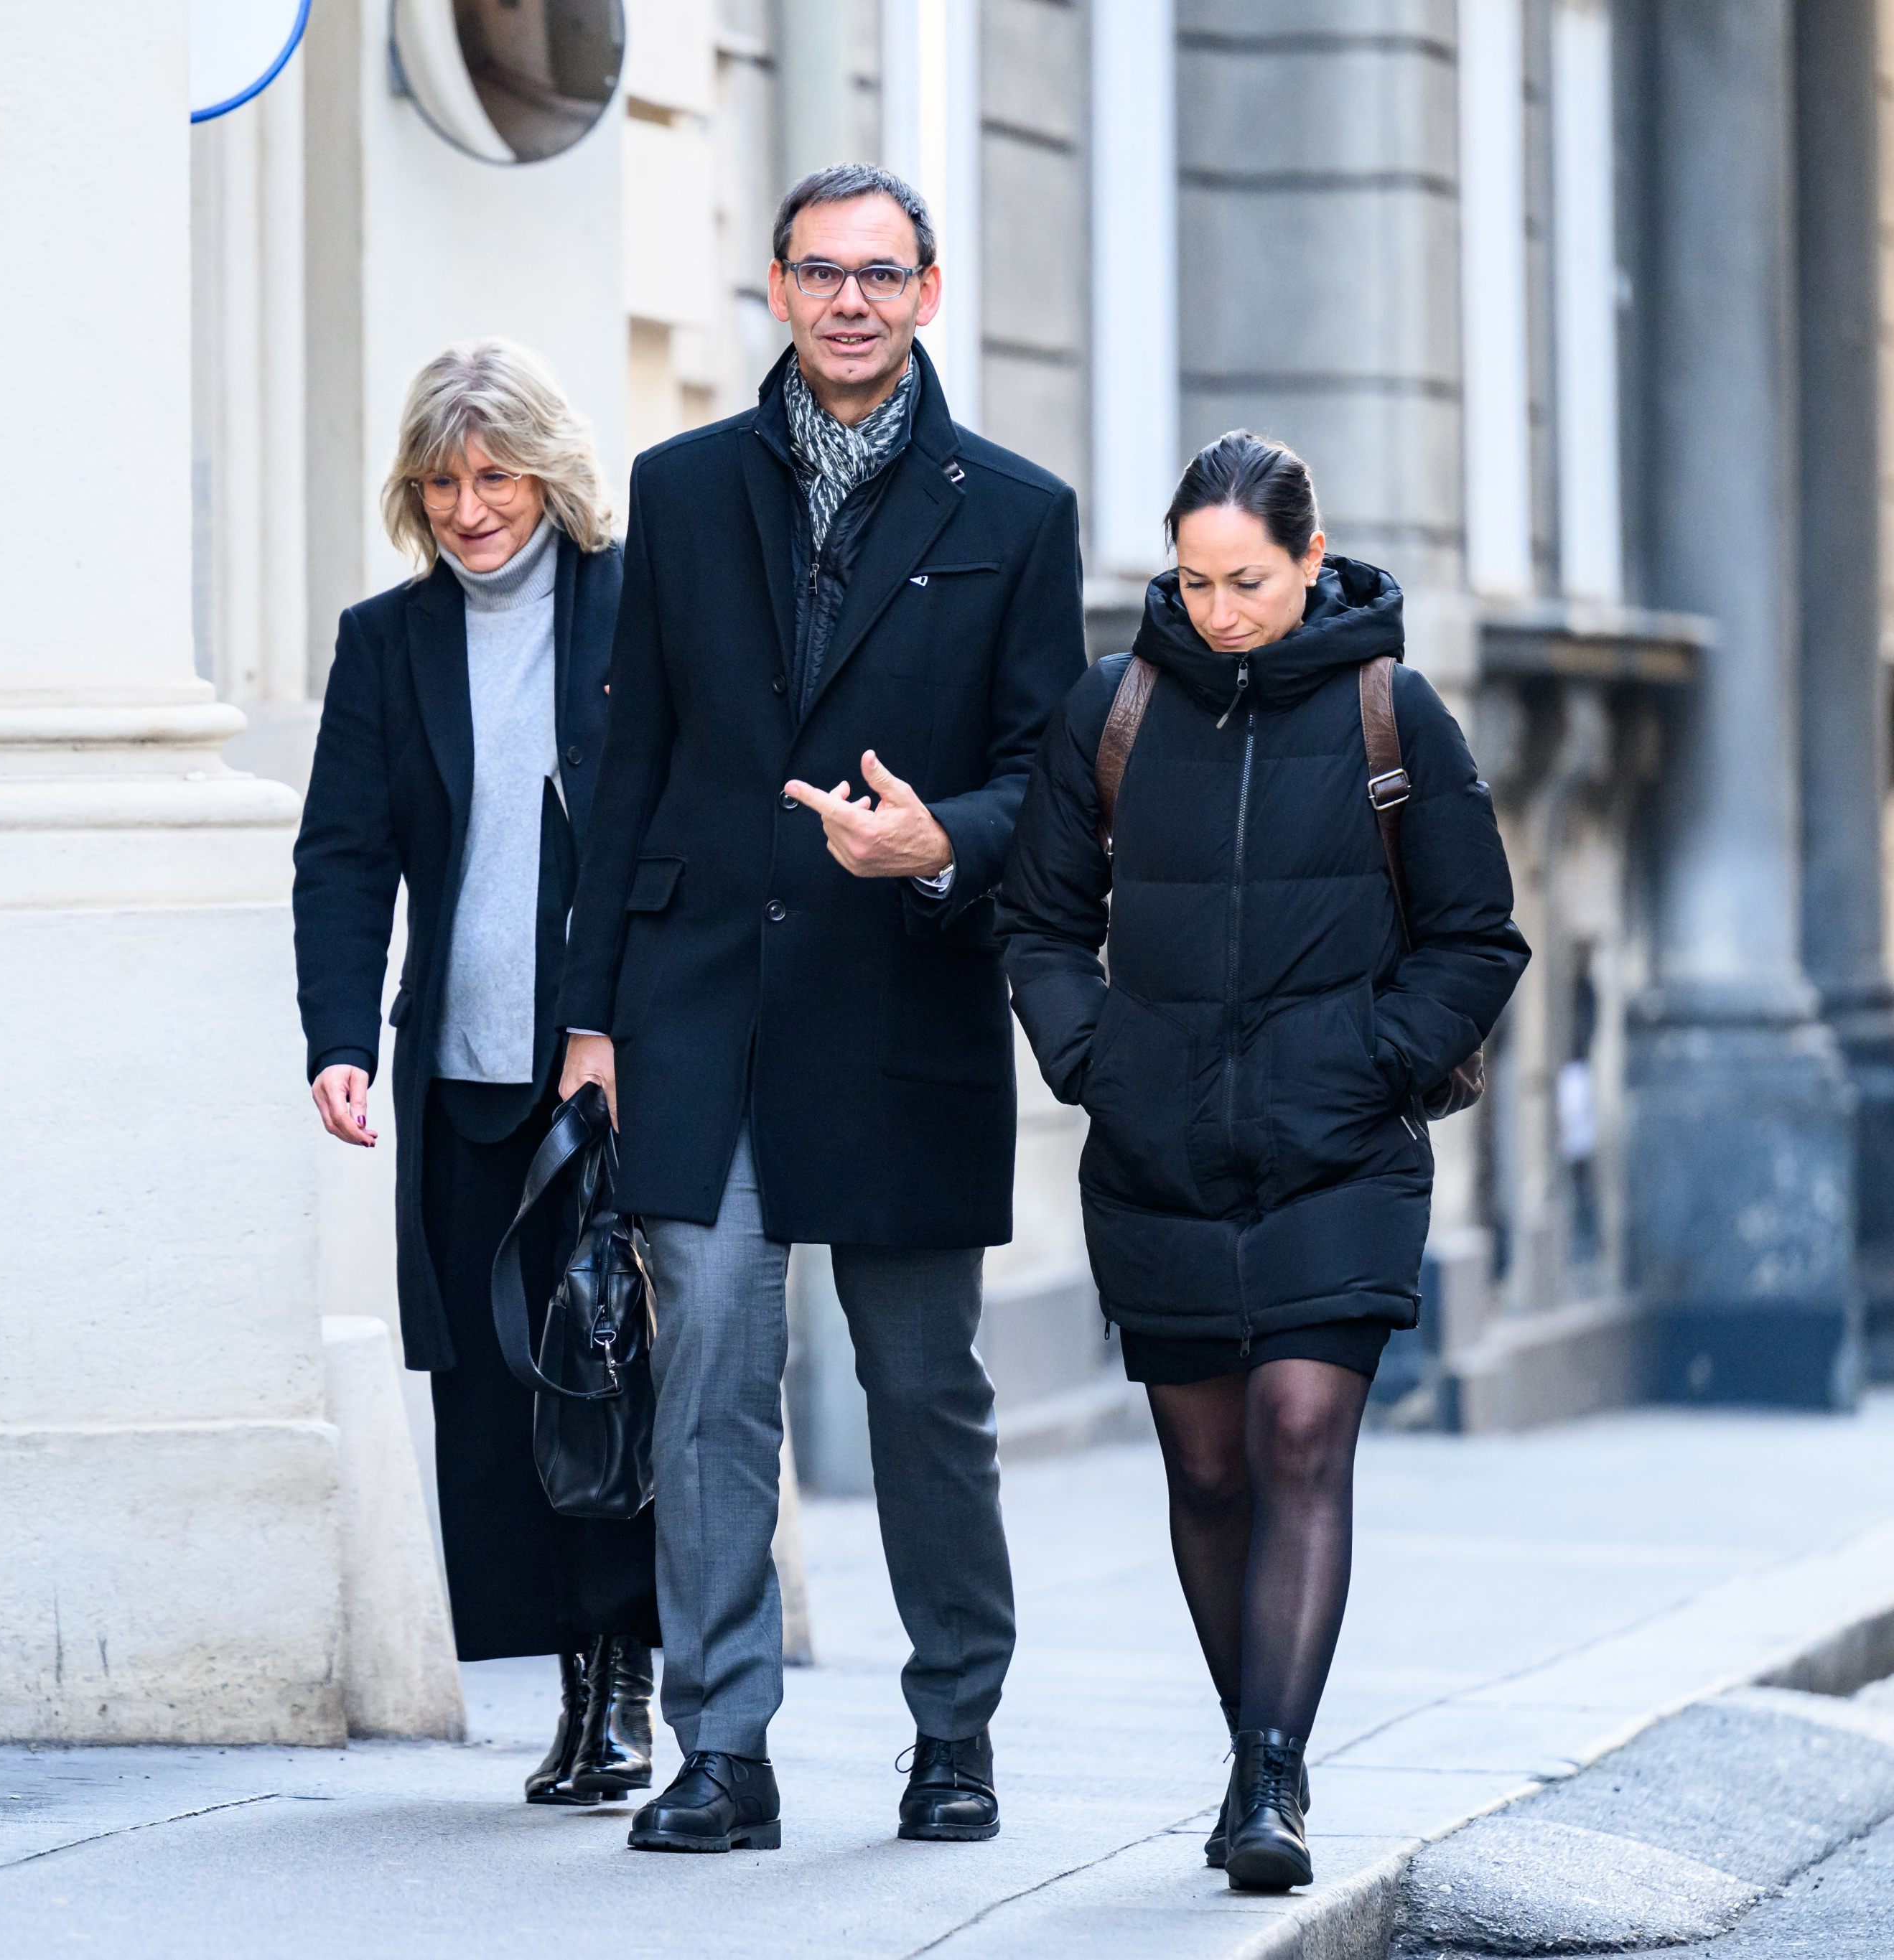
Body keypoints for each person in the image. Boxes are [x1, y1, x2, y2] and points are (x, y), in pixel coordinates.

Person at [556, 163, 1087, 1853]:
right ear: (773, 293)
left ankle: (953, 1730)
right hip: (700, 1002)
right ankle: (722, 1744)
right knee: (708, 1366)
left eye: (880, 274)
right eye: (817, 272)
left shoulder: (1010, 511)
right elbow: (624, 771)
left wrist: (943, 845)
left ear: (926, 294)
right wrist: (592, 1021)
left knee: (920, 1385)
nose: (848, 301)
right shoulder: (682, 490)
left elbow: (1041, 778)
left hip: (901, 1007)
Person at [1000, 432, 1529, 1891]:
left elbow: (1476, 940)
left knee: (1301, 1434)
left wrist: (1365, 1064)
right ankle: (1253, 1744)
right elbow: (1038, 923)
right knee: (1210, 1466)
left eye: (1247, 580)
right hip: (1157, 1154)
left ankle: (1268, 1782)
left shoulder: (1391, 714)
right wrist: (1098, 1061)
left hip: (1338, 1157)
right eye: (1193, 580)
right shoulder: (1111, 713)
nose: (1220, 609)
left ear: (1309, 558)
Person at [293, 341, 661, 1808]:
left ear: (545, 474)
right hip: (454, 1074)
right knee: (488, 1402)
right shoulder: (385, 644)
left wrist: (620, 1021)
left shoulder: (634, 614)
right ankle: (566, 1692)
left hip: (598, 1078)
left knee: (598, 1375)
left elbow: (665, 837)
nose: (468, 506)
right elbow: (342, 853)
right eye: (442, 480)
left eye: (493, 475)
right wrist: (332, 1036)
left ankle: (624, 1684)